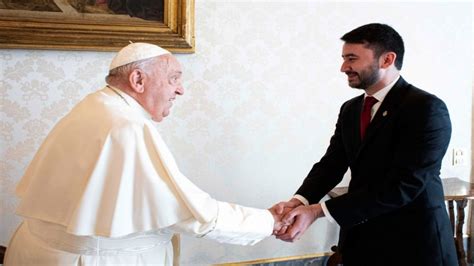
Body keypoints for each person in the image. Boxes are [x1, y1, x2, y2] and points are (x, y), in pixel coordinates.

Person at [4, 42, 283, 266]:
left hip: (37, 251)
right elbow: (191, 213)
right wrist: (269, 221)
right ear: (138, 79)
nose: (181, 89)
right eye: (174, 78)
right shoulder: (126, 126)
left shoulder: (95, 104)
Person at [273, 23, 457, 266]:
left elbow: (405, 184)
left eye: (352, 58)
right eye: (343, 58)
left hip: (414, 244)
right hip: (361, 240)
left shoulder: (426, 108)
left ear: (387, 59)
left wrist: (318, 211)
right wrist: (300, 201)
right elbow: (332, 163)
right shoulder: (350, 109)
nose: (343, 67)